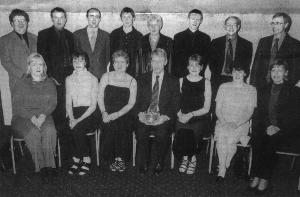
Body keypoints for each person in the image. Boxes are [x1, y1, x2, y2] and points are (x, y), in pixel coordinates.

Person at [249, 60, 295, 194]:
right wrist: (266, 126)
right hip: (265, 126)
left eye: (280, 70)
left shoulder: (293, 91)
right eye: (273, 70)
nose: (276, 73)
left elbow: (294, 116)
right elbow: (259, 113)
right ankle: (256, 175)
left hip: (284, 129)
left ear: (286, 73)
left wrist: (277, 127)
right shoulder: (263, 88)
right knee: (257, 140)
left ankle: (264, 178)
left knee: (270, 143)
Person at [134, 48, 180, 176]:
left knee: (162, 132)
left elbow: (176, 103)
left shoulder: (173, 80)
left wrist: (165, 117)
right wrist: (140, 114)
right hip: (145, 114)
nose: (157, 64)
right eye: (154, 61)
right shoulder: (141, 79)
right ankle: (144, 161)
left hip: (163, 115)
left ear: (165, 62)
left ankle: (160, 161)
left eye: (160, 61)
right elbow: (135, 101)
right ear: (150, 62)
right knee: (141, 131)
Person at [37, 7, 74, 160]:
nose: (59, 20)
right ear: (52, 19)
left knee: (67, 113)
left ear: (66, 19)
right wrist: (50, 77)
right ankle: (54, 152)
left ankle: (67, 152)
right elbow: (42, 60)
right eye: (56, 17)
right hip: (51, 82)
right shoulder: (44, 34)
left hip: (68, 81)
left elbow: (73, 59)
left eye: (62, 17)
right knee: (55, 115)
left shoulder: (70, 36)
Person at [11, 53, 57, 175]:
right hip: (23, 117)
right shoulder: (21, 83)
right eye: (34, 64)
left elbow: (52, 103)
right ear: (29, 67)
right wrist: (32, 118)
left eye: (40, 64)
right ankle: (40, 167)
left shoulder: (49, 82)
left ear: (44, 67)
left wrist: (42, 116)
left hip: (44, 115)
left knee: (50, 131)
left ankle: (50, 167)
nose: (37, 67)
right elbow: (17, 105)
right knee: (33, 133)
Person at [215, 66, 256, 182]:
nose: (237, 74)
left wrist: (236, 124)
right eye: (234, 72)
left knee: (230, 139)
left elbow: (249, 112)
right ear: (231, 73)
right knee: (222, 137)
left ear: (245, 74)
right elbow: (218, 109)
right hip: (223, 120)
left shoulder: (251, 89)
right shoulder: (223, 87)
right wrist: (224, 122)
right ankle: (222, 168)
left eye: (240, 71)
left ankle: (225, 162)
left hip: (241, 123)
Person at [98, 50, 137, 172]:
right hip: (107, 112)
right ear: (113, 64)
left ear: (127, 64)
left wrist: (117, 114)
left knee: (123, 124)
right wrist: (104, 112)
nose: (119, 65)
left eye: (122, 62)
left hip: (124, 112)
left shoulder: (132, 81)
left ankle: (120, 159)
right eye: (116, 62)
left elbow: (131, 103)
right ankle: (110, 157)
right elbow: (99, 97)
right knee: (109, 124)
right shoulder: (106, 76)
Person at [173, 54, 211, 175]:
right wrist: (179, 115)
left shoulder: (206, 82)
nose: (194, 67)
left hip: (198, 116)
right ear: (188, 66)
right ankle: (185, 158)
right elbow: (175, 102)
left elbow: (207, 108)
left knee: (194, 132)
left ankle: (193, 158)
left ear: (201, 67)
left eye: (197, 65)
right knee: (181, 130)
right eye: (191, 65)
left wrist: (190, 115)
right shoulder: (180, 80)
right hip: (182, 115)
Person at [65, 52, 98, 176]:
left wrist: (76, 120)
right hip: (74, 111)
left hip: (90, 113)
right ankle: (82, 157)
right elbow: (68, 102)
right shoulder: (69, 79)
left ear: (85, 62)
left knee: (77, 127)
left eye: (80, 61)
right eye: (74, 61)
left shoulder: (93, 79)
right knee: (65, 127)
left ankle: (81, 158)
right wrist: (72, 117)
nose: (77, 64)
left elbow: (93, 106)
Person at [250, 12, 300, 90]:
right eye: (273, 23)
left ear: (286, 25)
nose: (274, 26)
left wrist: (287, 87)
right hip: (261, 87)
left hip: (283, 89)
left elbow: (296, 71)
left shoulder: (295, 44)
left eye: (278, 23)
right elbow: (255, 66)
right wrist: (252, 86)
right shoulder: (263, 41)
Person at [209, 16, 252, 99]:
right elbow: (211, 64)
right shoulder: (215, 42)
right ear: (225, 26)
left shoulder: (247, 45)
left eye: (234, 25)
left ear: (238, 27)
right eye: (228, 25)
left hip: (236, 81)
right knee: (216, 107)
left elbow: (246, 65)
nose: (231, 27)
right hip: (217, 80)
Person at [0, 9, 37, 91]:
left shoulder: (35, 38)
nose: (21, 23)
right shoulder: (4, 40)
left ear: (27, 22)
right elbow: (6, 62)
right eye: (17, 21)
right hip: (18, 83)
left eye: (23, 20)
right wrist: (23, 75)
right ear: (12, 24)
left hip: (36, 81)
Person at [73, 8, 110, 80]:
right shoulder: (77, 35)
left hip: (100, 76)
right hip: (82, 76)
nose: (94, 19)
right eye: (91, 16)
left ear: (100, 19)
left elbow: (107, 57)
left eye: (97, 16)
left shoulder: (106, 36)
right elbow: (74, 56)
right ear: (87, 17)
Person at [173, 9, 211, 78]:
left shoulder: (206, 38)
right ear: (188, 19)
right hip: (181, 75)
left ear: (201, 21)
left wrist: (197, 72)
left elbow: (205, 60)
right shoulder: (178, 37)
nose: (195, 22)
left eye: (198, 19)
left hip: (198, 75)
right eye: (193, 19)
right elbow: (177, 59)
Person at [110, 7, 143, 78]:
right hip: (116, 71)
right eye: (124, 17)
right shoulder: (114, 34)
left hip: (132, 73)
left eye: (129, 17)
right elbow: (110, 55)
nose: (126, 19)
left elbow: (139, 58)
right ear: (121, 18)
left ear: (133, 18)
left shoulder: (139, 36)